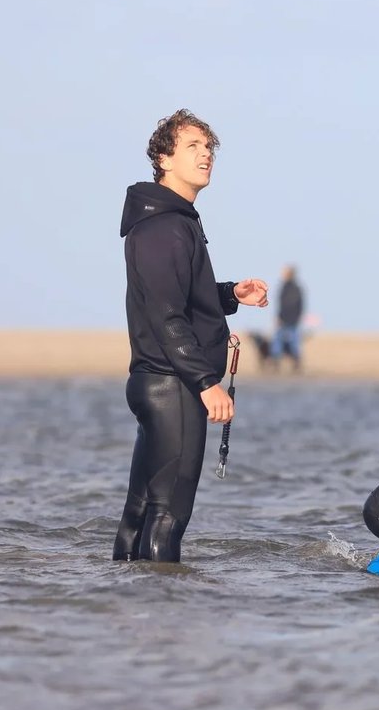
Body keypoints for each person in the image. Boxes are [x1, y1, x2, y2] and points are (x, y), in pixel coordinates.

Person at [114, 109, 269, 563]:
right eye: (192, 147)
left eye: (209, 148)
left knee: (140, 512)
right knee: (168, 515)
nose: (206, 156)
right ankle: (167, 621)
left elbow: (179, 299)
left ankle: (128, 604)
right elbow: (166, 317)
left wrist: (230, 293)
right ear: (164, 158)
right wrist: (206, 383)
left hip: (157, 382)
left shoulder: (172, 219)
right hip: (173, 385)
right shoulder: (165, 226)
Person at [269, 264, 304, 372]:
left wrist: (282, 317)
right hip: (287, 319)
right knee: (279, 342)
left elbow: (294, 305)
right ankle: (277, 364)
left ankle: (294, 364)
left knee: (291, 342)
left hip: (289, 320)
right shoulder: (286, 287)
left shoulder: (294, 288)